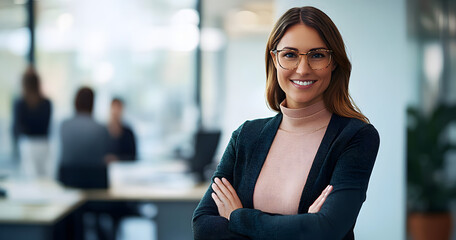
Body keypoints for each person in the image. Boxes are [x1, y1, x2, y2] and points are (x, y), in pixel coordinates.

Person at [192, 6, 380, 240]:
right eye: (290, 54)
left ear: (333, 62)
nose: (302, 69)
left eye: (317, 55)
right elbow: (203, 227)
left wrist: (238, 217)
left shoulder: (356, 137)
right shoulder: (246, 136)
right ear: (275, 59)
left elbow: (326, 230)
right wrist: (302, 226)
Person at [58, 87, 110, 189]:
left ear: (75, 102)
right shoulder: (101, 128)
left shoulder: (64, 125)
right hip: (96, 182)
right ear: (92, 104)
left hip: (68, 180)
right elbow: (105, 156)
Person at [12, 66, 52, 179]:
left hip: (28, 144)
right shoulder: (47, 103)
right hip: (44, 144)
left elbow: (17, 127)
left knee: (30, 179)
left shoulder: (20, 103)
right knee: (44, 178)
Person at [105, 98, 137, 163]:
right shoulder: (103, 132)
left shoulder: (128, 133)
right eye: (114, 108)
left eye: (118, 108)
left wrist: (118, 159)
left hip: (124, 170)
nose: (116, 111)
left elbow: (133, 156)